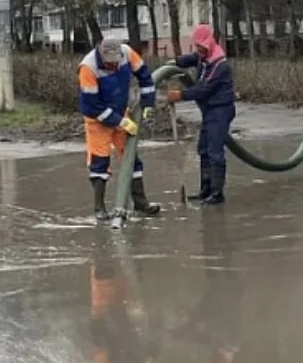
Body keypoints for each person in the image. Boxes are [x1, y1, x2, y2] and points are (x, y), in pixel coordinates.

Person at [79, 36, 160, 220]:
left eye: (116, 64)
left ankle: (141, 203)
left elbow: (145, 77)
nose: (114, 67)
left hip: (120, 111)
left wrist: (148, 104)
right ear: (102, 54)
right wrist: (120, 122)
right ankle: (99, 209)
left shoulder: (127, 53)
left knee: (131, 157)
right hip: (97, 119)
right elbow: (92, 106)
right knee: (100, 162)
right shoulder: (88, 68)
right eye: (110, 65)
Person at [168, 23, 235, 206]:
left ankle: (217, 194)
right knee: (203, 149)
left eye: (201, 47)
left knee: (214, 151)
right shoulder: (203, 56)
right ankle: (205, 189)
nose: (199, 50)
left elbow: (203, 90)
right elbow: (190, 59)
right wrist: (175, 62)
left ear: (208, 44)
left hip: (221, 110)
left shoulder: (220, 65)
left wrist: (180, 95)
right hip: (210, 110)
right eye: (196, 46)